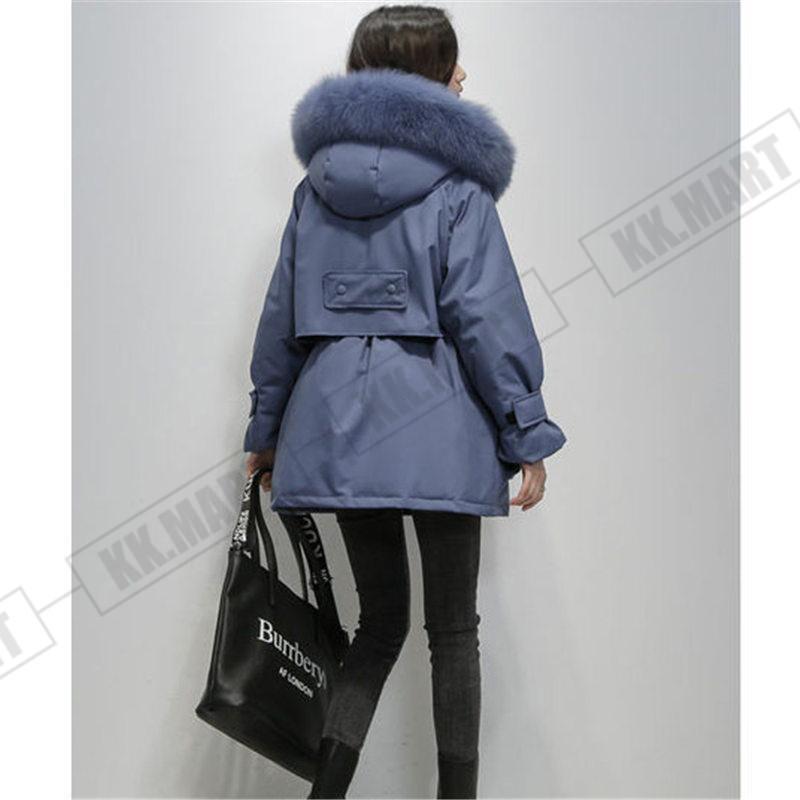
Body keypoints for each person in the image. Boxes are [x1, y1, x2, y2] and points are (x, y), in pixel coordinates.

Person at [244, 5, 566, 797]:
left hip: (337, 434)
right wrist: (526, 430)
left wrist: (267, 431)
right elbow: (487, 319)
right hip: (438, 433)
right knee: (452, 630)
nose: (464, 77)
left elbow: (280, 320)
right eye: (453, 65)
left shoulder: (313, 192)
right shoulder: (458, 191)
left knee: (379, 622)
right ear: (427, 77)